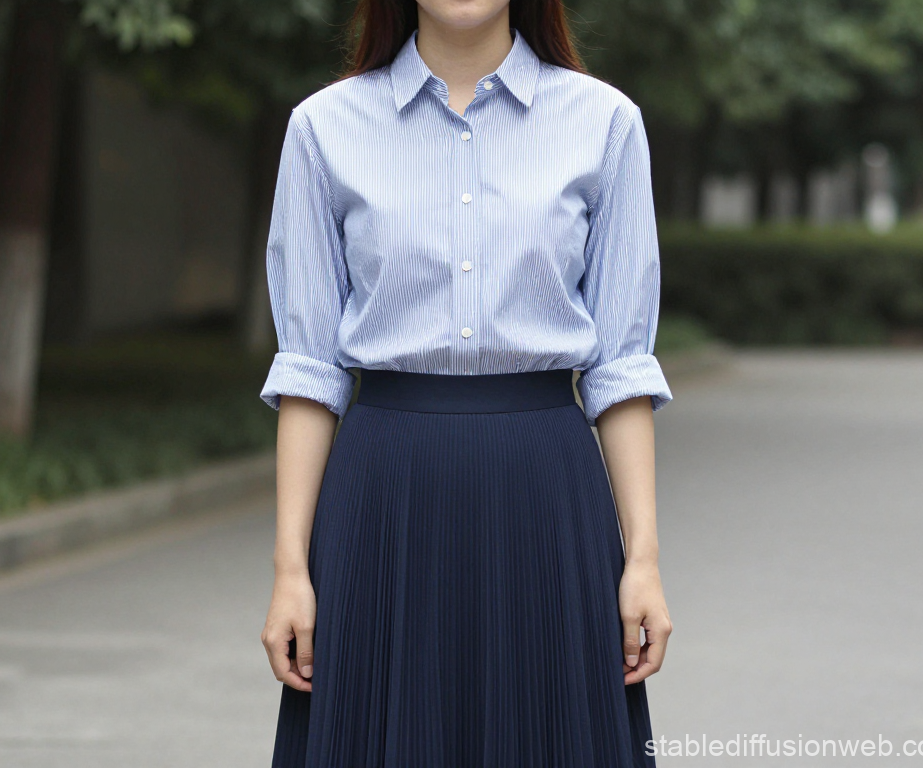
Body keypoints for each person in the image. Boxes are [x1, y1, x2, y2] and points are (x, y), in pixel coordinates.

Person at [258, 1, 674, 765]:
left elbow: (621, 366)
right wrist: (291, 569)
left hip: (548, 497)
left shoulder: (605, 123)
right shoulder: (322, 128)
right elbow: (310, 370)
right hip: (382, 500)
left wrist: (642, 559)